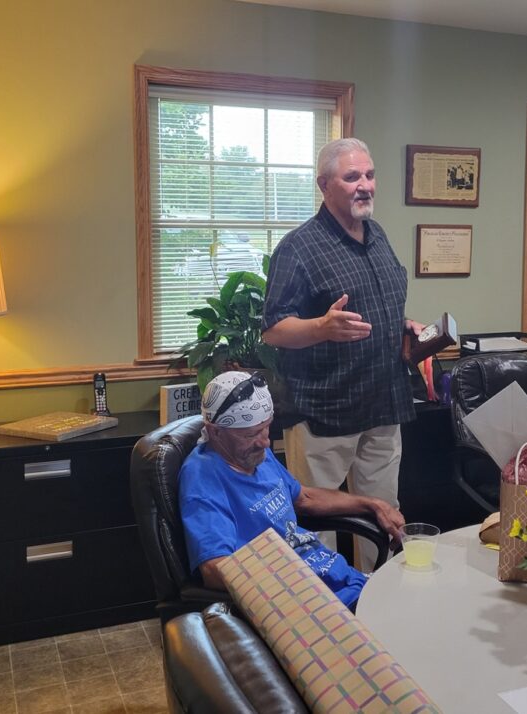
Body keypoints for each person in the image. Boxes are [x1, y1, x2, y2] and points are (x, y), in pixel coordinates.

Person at [262, 138, 421, 569]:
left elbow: (379, 305)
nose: (365, 185)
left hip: (383, 404)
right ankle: (327, 603)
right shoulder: (298, 248)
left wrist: (405, 325)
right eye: (352, 177)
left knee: (384, 515)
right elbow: (273, 329)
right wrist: (321, 327)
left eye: (369, 175)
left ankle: (380, 599)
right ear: (324, 185)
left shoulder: (378, 235)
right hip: (324, 411)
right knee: (318, 525)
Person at [179, 371, 405, 609]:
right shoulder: (203, 479)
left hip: (339, 579)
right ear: (215, 431)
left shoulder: (254, 454)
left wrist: (373, 504)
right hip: (302, 601)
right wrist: (289, 586)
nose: (265, 442)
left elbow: (304, 497)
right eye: (251, 434)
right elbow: (214, 568)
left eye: (266, 428)